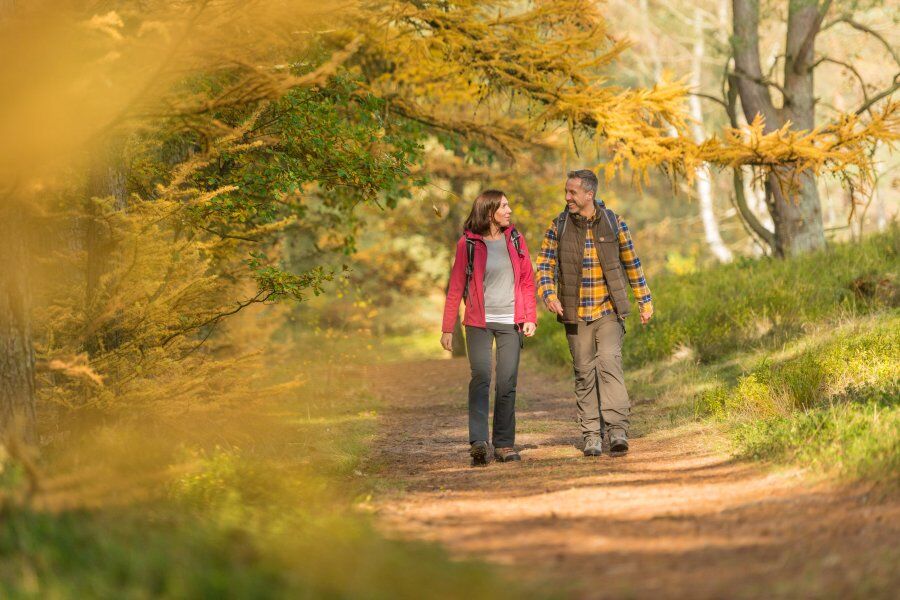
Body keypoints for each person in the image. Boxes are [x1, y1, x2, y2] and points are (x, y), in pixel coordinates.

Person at [535, 170, 653, 457]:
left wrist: (644, 300)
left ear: (589, 194)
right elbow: (544, 265)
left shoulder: (614, 223)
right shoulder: (559, 226)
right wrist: (549, 294)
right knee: (584, 373)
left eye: (572, 192)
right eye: (566, 192)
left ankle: (617, 430)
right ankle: (591, 435)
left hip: (608, 310)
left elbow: (632, 263)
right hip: (575, 313)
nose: (567, 197)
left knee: (609, 363)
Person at [441, 190, 537, 466]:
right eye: (504, 206)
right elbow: (456, 286)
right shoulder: (468, 244)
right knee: (481, 377)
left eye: (508, 205)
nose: (509, 210)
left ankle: (504, 444)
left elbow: (527, 280)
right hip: (478, 322)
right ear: (489, 211)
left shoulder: (516, 239)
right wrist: (447, 328)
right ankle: (479, 442)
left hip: (511, 322)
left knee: (507, 383)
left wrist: (530, 317)